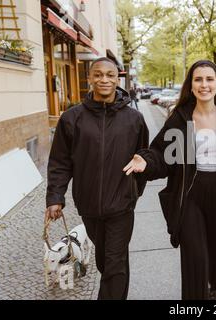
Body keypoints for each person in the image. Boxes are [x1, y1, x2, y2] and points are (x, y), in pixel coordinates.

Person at [123, 60, 216, 300]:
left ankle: (209, 290)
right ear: (190, 85)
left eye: (209, 79)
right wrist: (146, 161)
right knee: (194, 254)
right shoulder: (180, 117)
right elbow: (162, 153)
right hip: (189, 193)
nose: (204, 85)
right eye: (198, 79)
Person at [45, 57, 149, 300]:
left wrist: (133, 190)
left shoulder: (134, 119)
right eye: (99, 75)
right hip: (89, 206)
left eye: (110, 75)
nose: (104, 79)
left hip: (122, 205)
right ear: (90, 78)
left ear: (118, 78)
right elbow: (60, 162)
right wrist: (55, 197)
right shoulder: (72, 119)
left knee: (114, 262)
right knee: (107, 260)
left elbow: (145, 156)